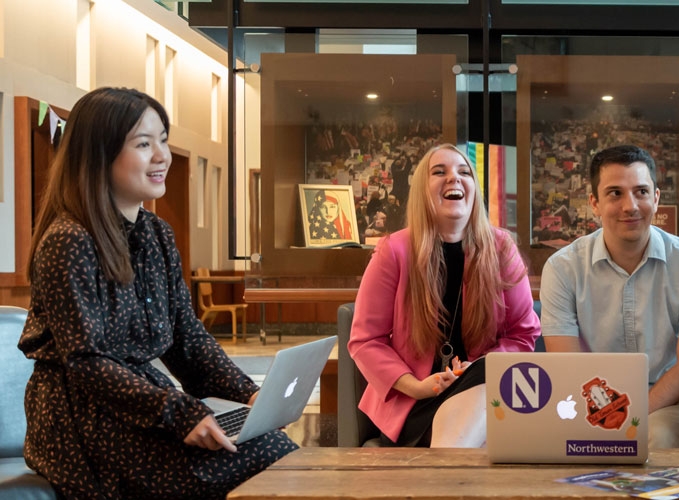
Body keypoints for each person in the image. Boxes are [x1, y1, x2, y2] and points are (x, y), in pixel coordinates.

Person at [18, 87, 296, 499]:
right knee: (264, 456)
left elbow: (186, 337)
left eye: (162, 140)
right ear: (99, 154)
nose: (162, 156)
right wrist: (179, 413)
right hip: (80, 419)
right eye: (144, 144)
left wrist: (250, 394)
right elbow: (87, 360)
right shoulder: (69, 240)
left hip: (139, 404)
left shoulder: (157, 234)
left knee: (273, 448)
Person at [349, 143, 541, 447]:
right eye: (439, 172)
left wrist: (475, 369)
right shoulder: (393, 251)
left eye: (464, 172)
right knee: (482, 442)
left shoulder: (501, 247)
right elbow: (365, 340)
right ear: (422, 192)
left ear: (474, 190)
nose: (454, 177)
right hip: (414, 401)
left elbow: (523, 334)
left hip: (484, 386)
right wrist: (415, 387)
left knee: (485, 388)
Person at [540, 145, 679, 449]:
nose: (630, 206)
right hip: (591, 400)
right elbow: (567, 364)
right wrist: (607, 412)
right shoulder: (562, 267)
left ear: (656, 198)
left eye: (641, 192)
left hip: (670, 402)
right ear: (594, 203)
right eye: (615, 193)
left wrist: (628, 415)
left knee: (656, 439)